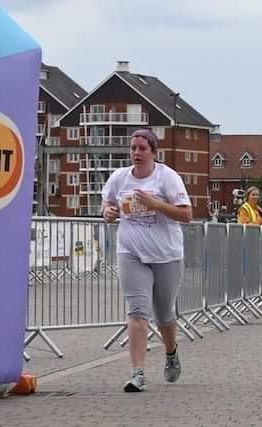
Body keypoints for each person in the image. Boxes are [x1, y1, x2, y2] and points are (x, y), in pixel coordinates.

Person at [101, 128, 192, 392]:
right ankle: (137, 373)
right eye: (133, 148)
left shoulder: (167, 178)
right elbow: (107, 204)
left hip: (166, 255)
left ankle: (171, 352)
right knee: (137, 312)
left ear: (154, 152)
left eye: (142, 148)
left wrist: (156, 204)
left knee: (164, 314)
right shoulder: (119, 178)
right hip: (131, 252)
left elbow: (186, 215)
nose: (136, 153)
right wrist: (107, 212)